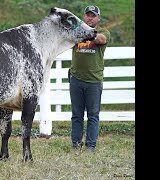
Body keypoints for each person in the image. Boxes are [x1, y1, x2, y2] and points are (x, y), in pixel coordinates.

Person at [69, 5, 111, 153]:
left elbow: (101, 40)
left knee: (93, 115)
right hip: (76, 79)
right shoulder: (76, 32)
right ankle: (76, 145)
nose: (90, 18)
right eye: (87, 15)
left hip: (94, 81)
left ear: (98, 18)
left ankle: (90, 147)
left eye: (93, 15)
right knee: (76, 115)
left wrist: (86, 31)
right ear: (84, 17)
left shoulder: (103, 32)